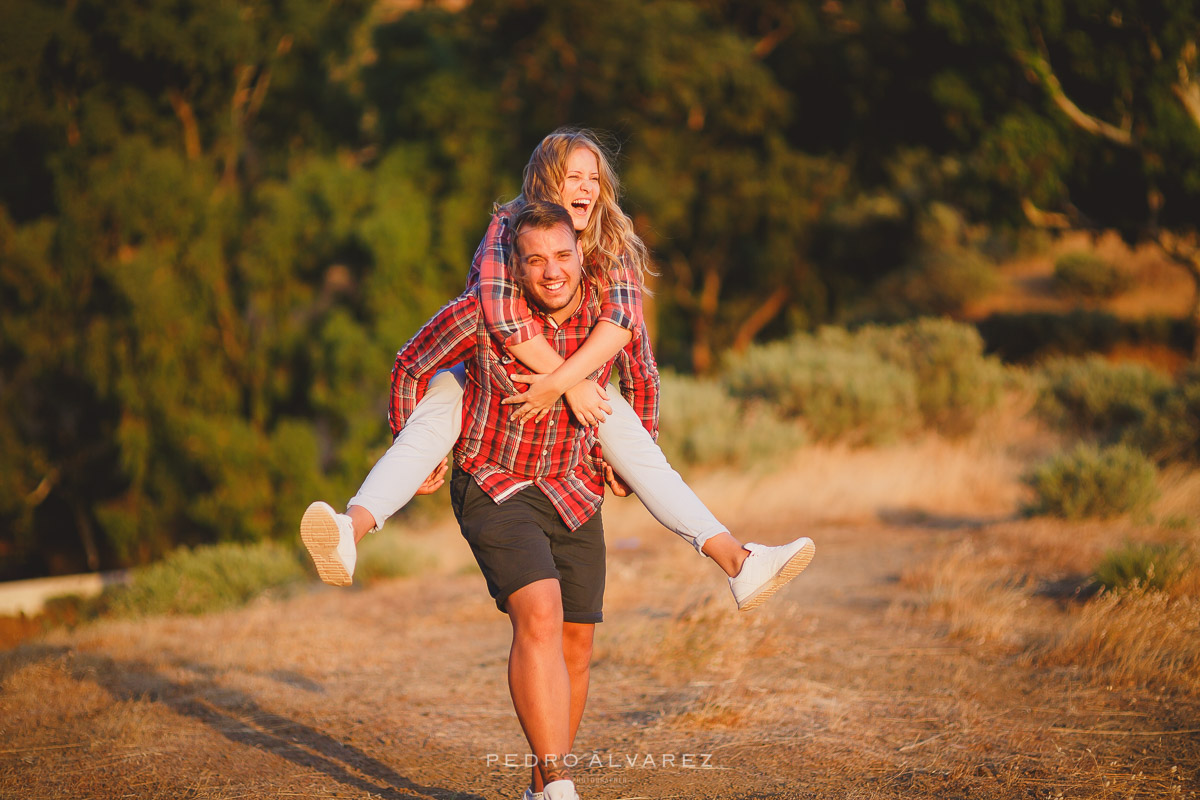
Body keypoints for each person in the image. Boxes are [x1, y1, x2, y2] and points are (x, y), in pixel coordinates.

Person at [301, 128, 814, 613]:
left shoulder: (611, 241)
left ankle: (739, 562)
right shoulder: (508, 228)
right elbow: (498, 317)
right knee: (432, 418)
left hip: (573, 406)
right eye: (574, 177)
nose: (587, 187)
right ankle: (351, 528)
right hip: (482, 376)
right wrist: (565, 383)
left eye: (594, 178)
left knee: (645, 456)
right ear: (547, 182)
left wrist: (567, 388)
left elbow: (628, 338)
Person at [401, 202, 652, 799]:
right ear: (514, 264)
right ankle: (562, 787)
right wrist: (420, 449)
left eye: (563, 256)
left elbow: (641, 372)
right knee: (538, 612)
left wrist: (632, 455)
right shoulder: (481, 316)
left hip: (574, 488)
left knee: (577, 642)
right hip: (493, 482)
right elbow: (410, 365)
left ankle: (542, 785)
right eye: (535, 260)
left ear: (580, 255)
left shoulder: (604, 315)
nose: (552, 271)